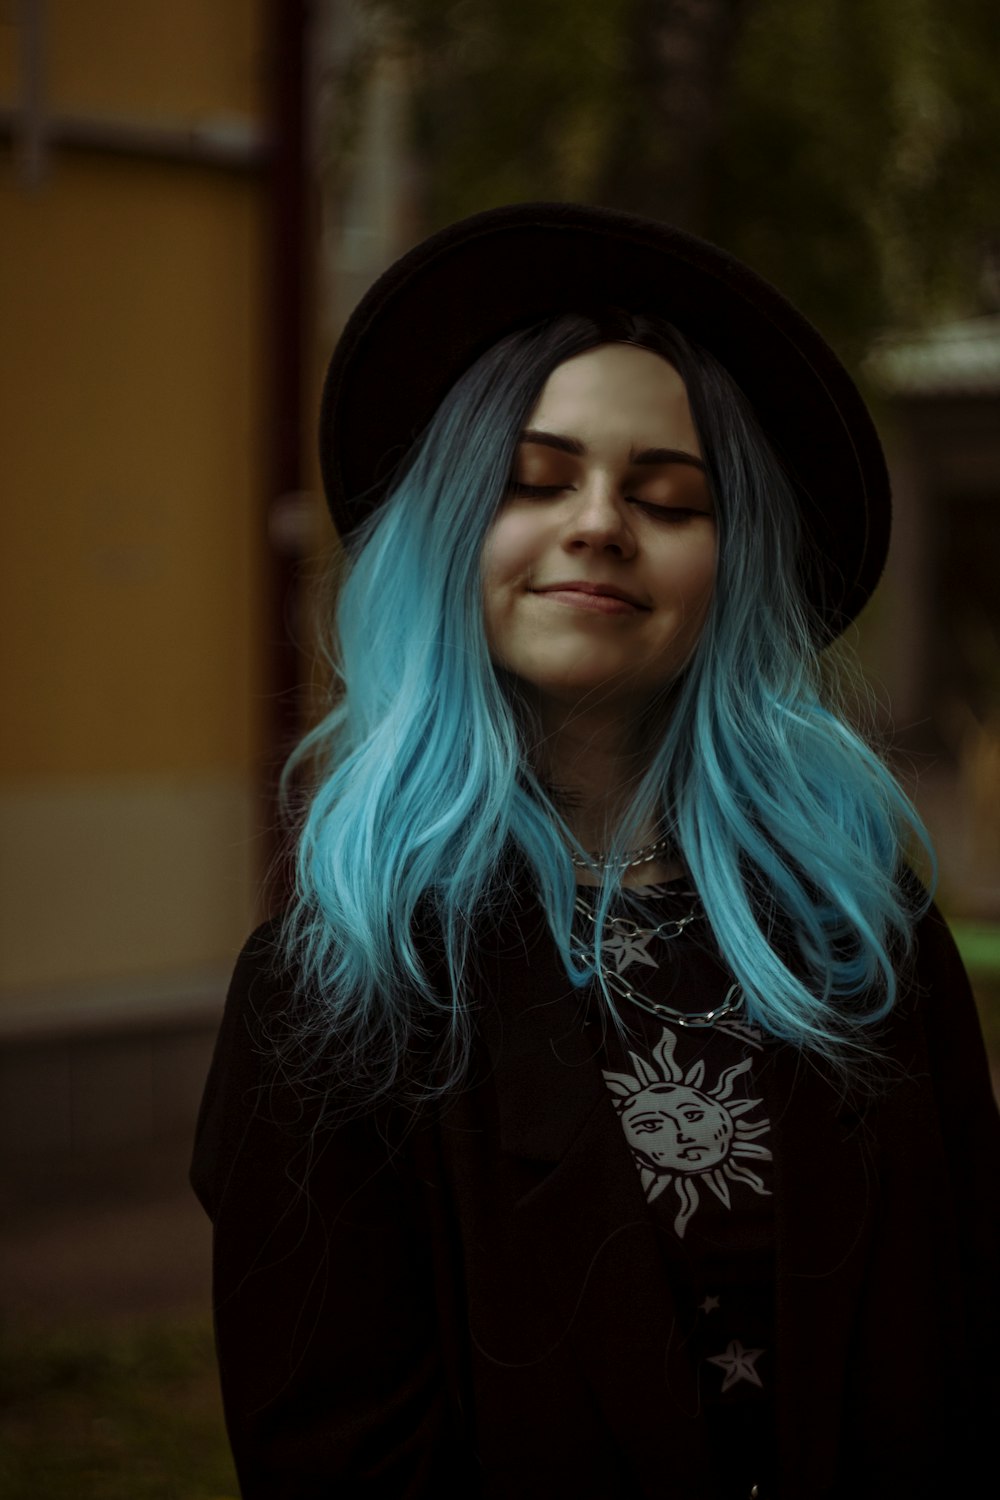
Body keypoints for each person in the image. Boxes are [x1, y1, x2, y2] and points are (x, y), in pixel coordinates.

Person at [191, 203, 1000, 1500]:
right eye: (537, 478)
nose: (600, 522)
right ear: (454, 532)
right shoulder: (332, 992)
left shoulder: (868, 936)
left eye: (667, 497)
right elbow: (333, 1457)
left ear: (726, 572)